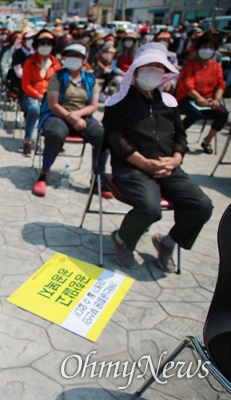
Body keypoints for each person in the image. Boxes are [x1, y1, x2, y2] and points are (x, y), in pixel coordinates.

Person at [103, 43, 213, 271]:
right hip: (132, 168)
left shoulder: (169, 103)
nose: (153, 72)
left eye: (158, 68)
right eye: (148, 67)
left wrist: (175, 159)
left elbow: (181, 137)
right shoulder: (118, 103)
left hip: (168, 167)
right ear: (136, 70)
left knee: (202, 206)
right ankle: (122, 240)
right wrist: (145, 164)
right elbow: (117, 140)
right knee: (150, 208)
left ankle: (168, 242)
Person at [32, 43, 106, 197]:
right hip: (58, 115)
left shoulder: (91, 79)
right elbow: (53, 104)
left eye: (77, 56)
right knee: (55, 133)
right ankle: (44, 174)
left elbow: (94, 105)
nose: (73, 58)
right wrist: (70, 117)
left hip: (82, 116)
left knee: (102, 135)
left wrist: (78, 115)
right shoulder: (57, 76)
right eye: (70, 55)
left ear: (84, 59)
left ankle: (98, 179)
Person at [176, 31, 228, 154]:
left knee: (223, 114)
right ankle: (177, 138)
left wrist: (216, 100)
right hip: (187, 98)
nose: (207, 50)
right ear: (198, 48)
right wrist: (198, 98)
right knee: (195, 113)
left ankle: (207, 140)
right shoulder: (190, 64)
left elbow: (220, 85)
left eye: (211, 47)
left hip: (208, 100)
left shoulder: (216, 66)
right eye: (205, 47)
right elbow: (188, 85)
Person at [20, 30, 61, 156]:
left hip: (50, 96)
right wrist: (38, 96)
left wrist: (51, 97)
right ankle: (28, 140)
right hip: (32, 95)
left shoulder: (56, 63)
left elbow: (59, 83)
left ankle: (56, 139)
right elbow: (25, 84)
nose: (45, 46)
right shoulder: (30, 62)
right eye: (42, 43)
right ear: (37, 45)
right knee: (34, 109)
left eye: (48, 43)